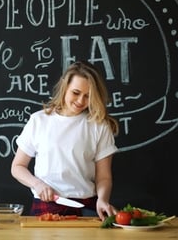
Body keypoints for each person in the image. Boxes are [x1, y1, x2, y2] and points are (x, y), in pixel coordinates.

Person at [11, 60, 119, 221]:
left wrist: (103, 199)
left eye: (88, 96)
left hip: (87, 207)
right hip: (46, 205)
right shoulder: (38, 121)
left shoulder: (99, 125)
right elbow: (17, 167)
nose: (81, 101)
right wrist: (37, 184)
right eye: (76, 92)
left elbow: (103, 177)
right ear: (64, 87)